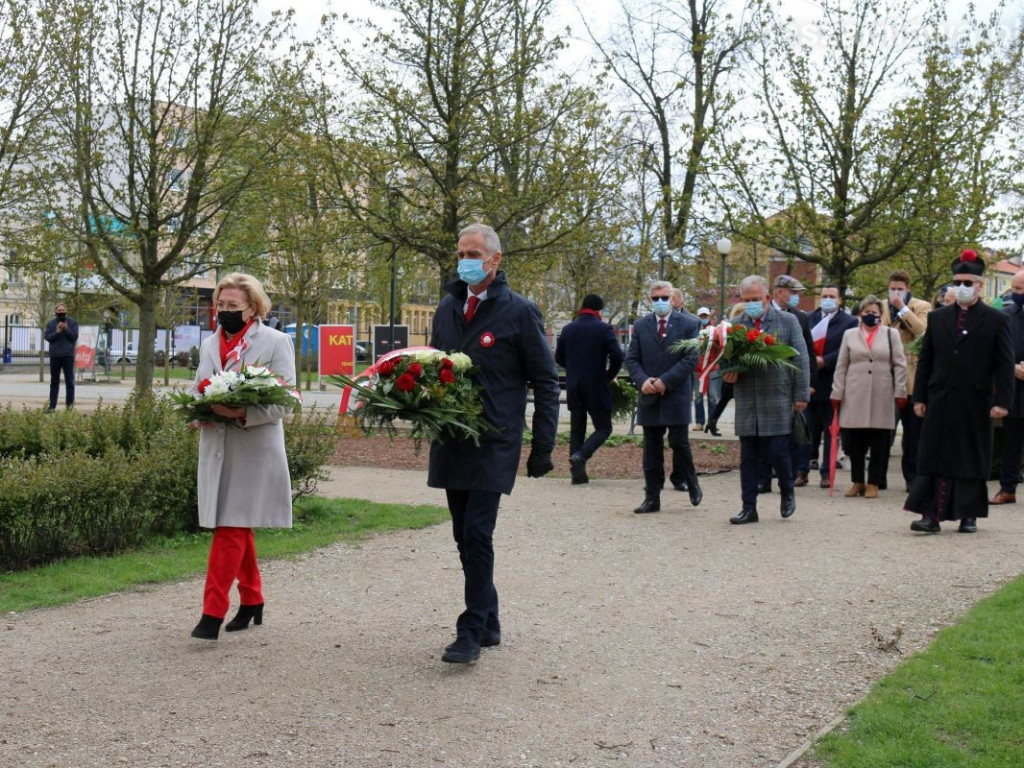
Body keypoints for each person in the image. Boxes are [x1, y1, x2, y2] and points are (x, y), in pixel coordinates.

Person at [428, 223, 560, 663]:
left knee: (478, 532)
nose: (465, 259)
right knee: (463, 536)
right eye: (461, 251)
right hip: (452, 438)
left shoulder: (519, 311)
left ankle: (469, 630)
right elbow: (433, 365)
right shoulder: (447, 306)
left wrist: (542, 447)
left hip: (494, 438)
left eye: (474, 252)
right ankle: (490, 621)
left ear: (495, 260)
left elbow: (544, 380)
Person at [190, 273, 296, 641]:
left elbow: (287, 401)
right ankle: (252, 599)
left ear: (254, 308)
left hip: (253, 447)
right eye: (221, 305)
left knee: (231, 527)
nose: (225, 312)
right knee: (233, 521)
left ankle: (211, 613)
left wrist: (240, 413)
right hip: (216, 443)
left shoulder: (276, 341)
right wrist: (197, 411)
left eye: (233, 306)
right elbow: (199, 386)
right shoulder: (208, 344)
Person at [905, 250, 1014, 534]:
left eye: (968, 282)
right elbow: (926, 360)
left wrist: (1003, 401)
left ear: (979, 285)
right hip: (940, 398)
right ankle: (931, 514)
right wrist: (919, 397)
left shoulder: (996, 320)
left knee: (970, 456)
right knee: (934, 455)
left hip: (975, 400)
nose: (962, 287)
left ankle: (969, 515)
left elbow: (1004, 364)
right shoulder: (938, 318)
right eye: (958, 282)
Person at [726, 275, 809, 524]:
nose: (752, 304)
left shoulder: (787, 321)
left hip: (778, 397)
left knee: (778, 453)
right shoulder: (736, 324)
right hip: (748, 399)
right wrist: (727, 375)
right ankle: (748, 507)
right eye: (747, 300)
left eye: (756, 299)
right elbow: (727, 360)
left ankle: (787, 494)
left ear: (768, 298)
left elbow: (801, 358)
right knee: (748, 457)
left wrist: (801, 395)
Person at [625, 280, 702, 513]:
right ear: (650, 300)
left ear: (673, 298)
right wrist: (643, 380)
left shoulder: (690, 324)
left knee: (680, 444)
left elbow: (691, 358)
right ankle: (652, 497)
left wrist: (665, 381)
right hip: (649, 395)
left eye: (664, 297)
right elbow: (631, 359)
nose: (660, 302)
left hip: (675, 392)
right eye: (655, 298)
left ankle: (692, 482)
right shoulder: (640, 325)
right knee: (651, 450)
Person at [830, 296, 908, 498]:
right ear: (860, 314)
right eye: (867, 313)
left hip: (882, 393)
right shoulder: (850, 334)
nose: (870, 316)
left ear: (880, 315)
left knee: (879, 442)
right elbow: (841, 365)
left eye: (874, 313)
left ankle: (874, 482)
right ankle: (857, 481)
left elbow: (900, 364)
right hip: (854, 393)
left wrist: (900, 391)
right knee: (855, 443)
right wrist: (837, 392)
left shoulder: (891, 334)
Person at [555, 293, 623, 484]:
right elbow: (617, 355)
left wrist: (575, 368)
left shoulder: (568, 329)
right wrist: (608, 376)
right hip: (596, 385)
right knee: (604, 427)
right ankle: (581, 456)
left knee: (577, 429)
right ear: (599, 310)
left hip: (574, 385)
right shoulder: (603, 329)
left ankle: (577, 474)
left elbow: (558, 358)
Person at [880, 269, 932, 490]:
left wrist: (902, 309)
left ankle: (912, 478)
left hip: (911, 378)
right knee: (882, 433)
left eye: (900, 289)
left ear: (908, 289)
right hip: (886, 376)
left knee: (912, 436)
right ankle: (877, 478)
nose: (895, 293)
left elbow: (922, 331)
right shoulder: (881, 305)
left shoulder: (922, 306)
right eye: (892, 288)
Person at [766, 275, 817, 488]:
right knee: (767, 435)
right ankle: (764, 477)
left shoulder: (800, 317)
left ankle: (791, 475)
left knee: (793, 432)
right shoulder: (762, 314)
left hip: (792, 385)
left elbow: (808, 353)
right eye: (793, 292)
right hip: (767, 384)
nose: (797, 297)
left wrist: (808, 384)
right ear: (779, 291)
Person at [806, 285, 857, 487]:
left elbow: (847, 350)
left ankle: (826, 472)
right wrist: (812, 361)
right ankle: (802, 470)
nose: (827, 299)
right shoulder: (808, 318)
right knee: (808, 431)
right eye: (824, 296)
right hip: (810, 383)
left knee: (831, 432)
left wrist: (825, 361)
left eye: (832, 296)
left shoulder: (849, 322)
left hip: (833, 383)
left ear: (839, 300)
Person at [990, 269, 1024, 506]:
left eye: (1020, 289)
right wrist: (1011, 367)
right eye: (1014, 288)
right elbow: (996, 352)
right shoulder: (1005, 316)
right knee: (1012, 442)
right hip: (1016, 389)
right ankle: (1007, 489)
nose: (1015, 293)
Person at [43, 302, 79, 411]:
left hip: (68, 355)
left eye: (63, 311)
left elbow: (74, 337)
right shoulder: (51, 324)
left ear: (66, 311)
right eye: (59, 311)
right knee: (54, 382)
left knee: (69, 382)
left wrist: (66, 329)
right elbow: (48, 337)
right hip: (55, 356)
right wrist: (57, 332)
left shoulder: (72, 323)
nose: (61, 313)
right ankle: (52, 406)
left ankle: (69, 406)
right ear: (55, 312)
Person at [691, 307, 719, 432]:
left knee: (713, 397)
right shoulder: (693, 331)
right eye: (701, 316)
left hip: (712, 368)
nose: (703, 318)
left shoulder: (716, 331)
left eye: (705, 316)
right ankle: (699, 423)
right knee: (698, 396)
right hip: (698, 369)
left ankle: (712, 423)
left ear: (709, 316)